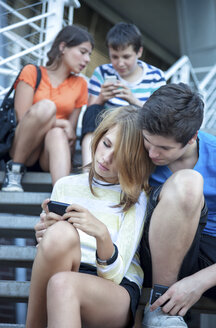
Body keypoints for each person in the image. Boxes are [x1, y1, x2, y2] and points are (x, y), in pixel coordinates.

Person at [26, 105, 154, 328]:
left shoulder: (135, 197)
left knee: (62, 284)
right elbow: (48, 259)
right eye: (106, 144)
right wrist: (44, 237)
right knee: (61, 241)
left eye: (119, 156)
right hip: (64, 272)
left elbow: (115, 276)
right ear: (98, 137)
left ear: (133, 160)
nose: (105, 158)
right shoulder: (65, 185)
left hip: (113, 289)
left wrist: (101, 234)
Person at [137, 83, 216, 328]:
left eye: (164, 148)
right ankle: (161, 307)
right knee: (187, 183)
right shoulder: (134, 143)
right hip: (152, 248)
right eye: (147, 141)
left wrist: (199, 282)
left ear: (192, 137)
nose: (152, 153)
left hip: (208, 252)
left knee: (189, 181)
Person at [1, 25, 94, 192]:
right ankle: (14, 171)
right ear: (63, 47)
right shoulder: (32, 72)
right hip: (23, 147)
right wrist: (61, 123)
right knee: (46, 107)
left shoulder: (80, 85)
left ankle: (62, 197)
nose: (87, 59)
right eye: (83, 52)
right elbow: (23, 119)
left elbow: (70, 133)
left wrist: (62, 127)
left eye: (89, 55)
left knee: (58, 133)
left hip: (50, 154)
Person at [81, 22, 166, 166]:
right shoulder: (102, 72)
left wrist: (132, 100)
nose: (120, 63)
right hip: (108, 127)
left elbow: (159, 115)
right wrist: (102, 98)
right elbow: (91, 112)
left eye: (126, 57)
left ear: (139, 52)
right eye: (114, 57)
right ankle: (87, 171)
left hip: (137, 130)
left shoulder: (156, 76)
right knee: (93, 111)